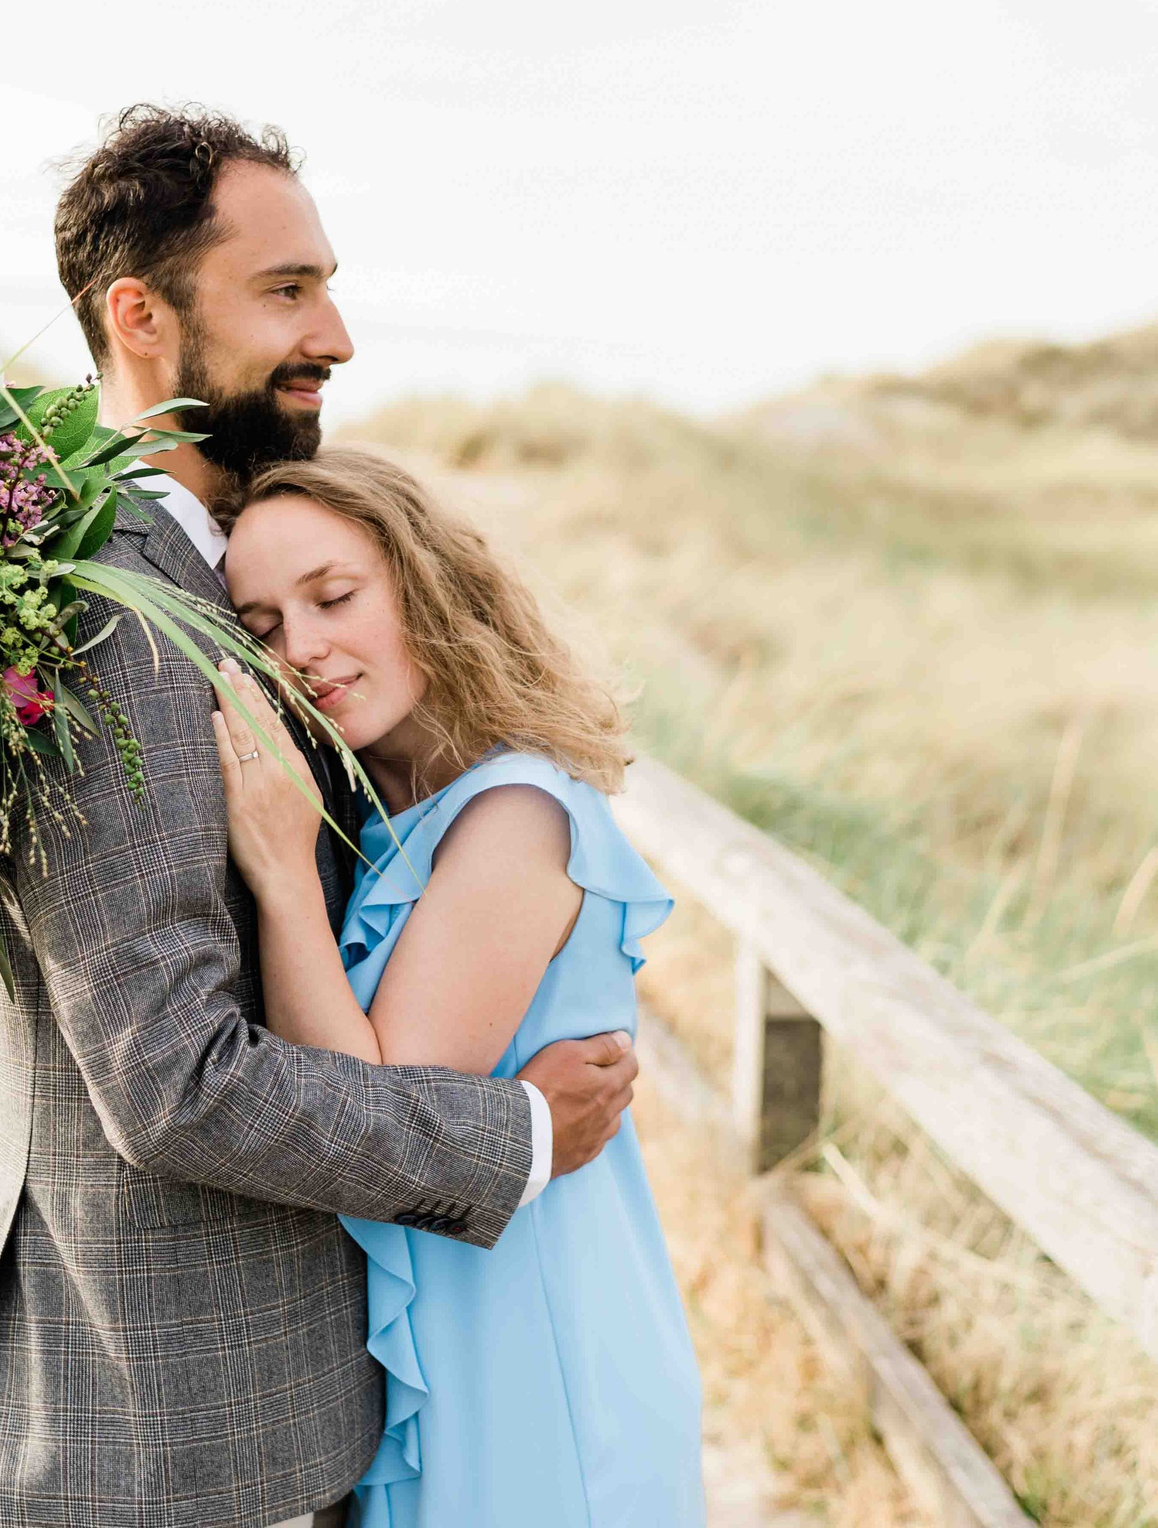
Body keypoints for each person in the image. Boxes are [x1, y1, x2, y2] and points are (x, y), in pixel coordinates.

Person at [0, 106, 644, 1528]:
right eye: (285, 290)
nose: (337, 336)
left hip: (244, 1404)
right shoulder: (114, 613)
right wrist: (511, 1133)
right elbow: (172, 1080)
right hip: (176, 1431)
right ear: (141, 317)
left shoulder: (196, 572)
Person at [213, 449, 705, 1527]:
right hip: (463, 1342)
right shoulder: (392, 822)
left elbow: (373, 1124)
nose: (301, 648)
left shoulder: (514, 814)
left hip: (538, 1354)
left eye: (334, 597)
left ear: (428, 587)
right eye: (261, 626)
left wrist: (281, 873)